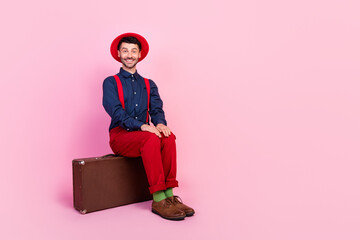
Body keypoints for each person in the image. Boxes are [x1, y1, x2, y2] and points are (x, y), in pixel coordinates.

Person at [102, 33, 195, 221]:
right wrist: (142, 126)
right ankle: (158, 199)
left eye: (133, 51)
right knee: (151, 137)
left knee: (168, 137)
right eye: (125, 51)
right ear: (119, 54)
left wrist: (160, 123)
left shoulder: (149, 84)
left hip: (145, 136)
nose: (129, 55)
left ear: (140, 54)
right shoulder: (111, 82)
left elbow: (156, 109)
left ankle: (169, 196)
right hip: (121, 136)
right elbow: (116, 112)